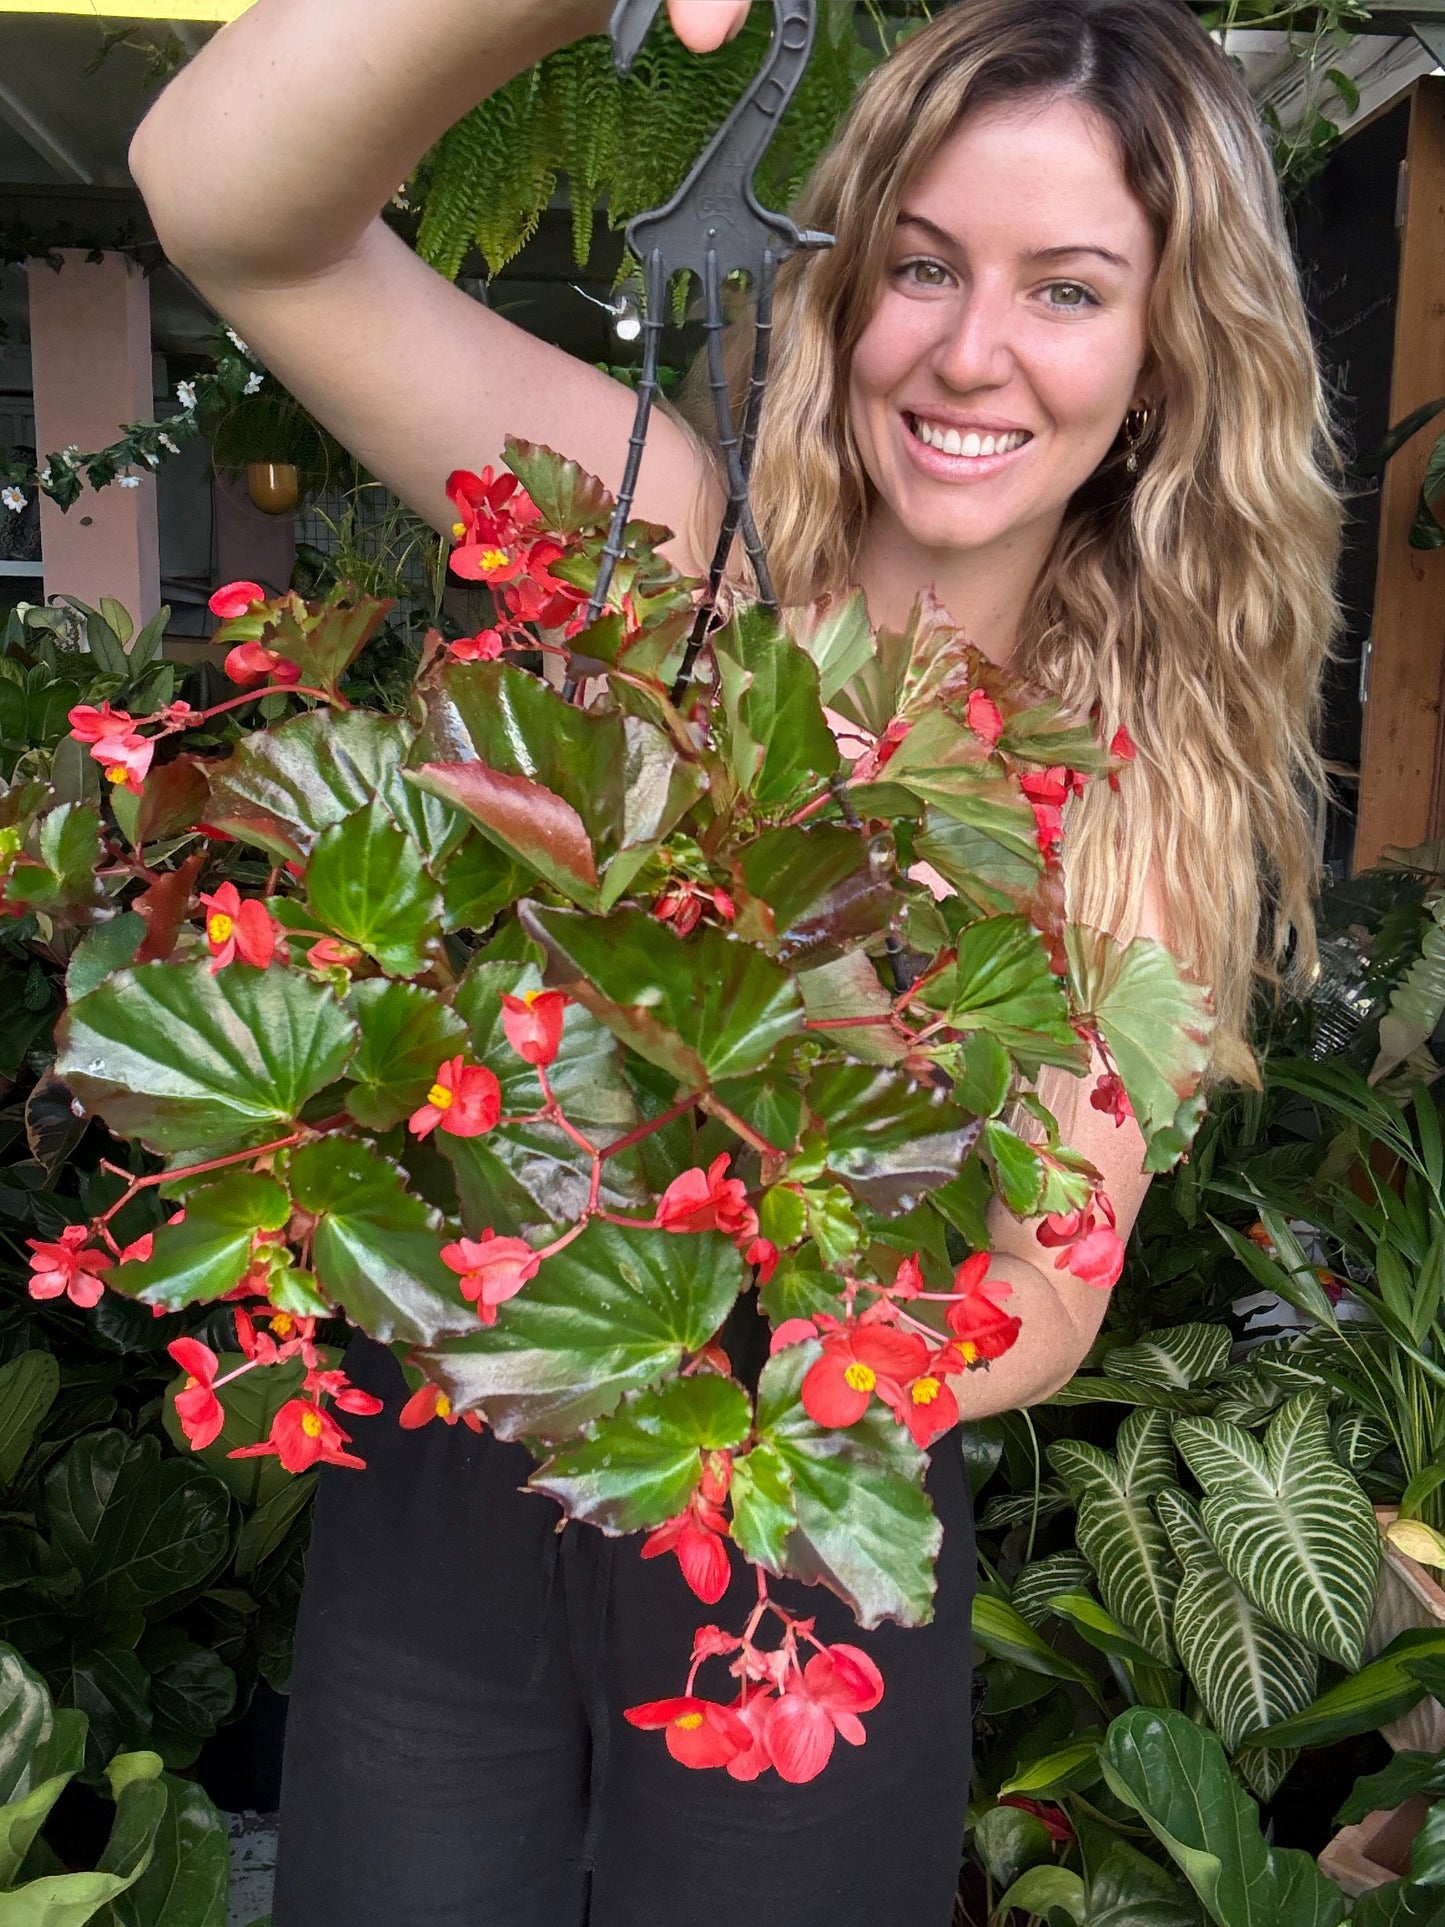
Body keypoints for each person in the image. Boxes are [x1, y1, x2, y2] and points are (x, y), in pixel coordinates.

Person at [129, 1, 1342, 1920]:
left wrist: (773, 1013)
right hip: (463, 1465)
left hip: (796, 1512)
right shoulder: (668, 555)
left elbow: (1036, 1304)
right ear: (845, 286)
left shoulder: (1137, 802)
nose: (969, 350)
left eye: (1070, 289)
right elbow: (229, 207)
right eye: (923, 267)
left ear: (1170, 361)